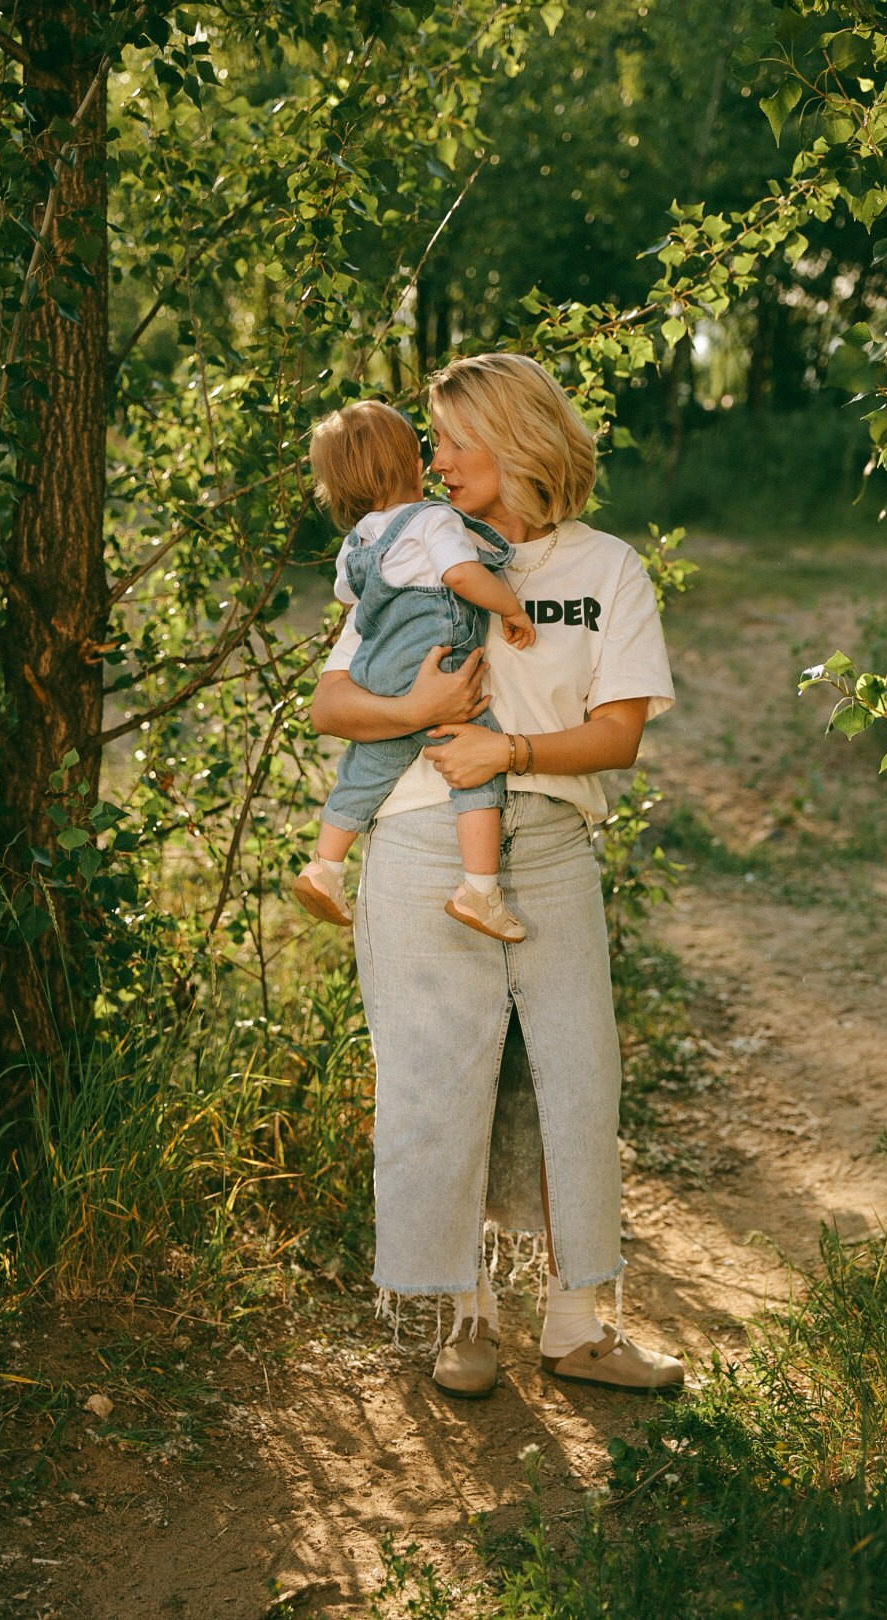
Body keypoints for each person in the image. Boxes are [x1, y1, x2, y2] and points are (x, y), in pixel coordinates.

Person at [310, 354, 684, 1397]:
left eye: (456, 439)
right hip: (425, 843)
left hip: (552, 847)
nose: (436, 460)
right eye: (430, 440)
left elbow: (617, 739)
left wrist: (508, 754)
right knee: (441, 1080)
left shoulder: (606, 569)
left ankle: (576, 1327)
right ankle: (462, 1320)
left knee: (572, 1078)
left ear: (518, 441)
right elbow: (330, 706)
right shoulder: (420, 546)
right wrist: (418, 718)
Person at [294, 400, 534, 944]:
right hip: (435, 661)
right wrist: (510, 608)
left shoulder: (356, 542)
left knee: (366, 766)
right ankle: (479, 888)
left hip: (377, 670)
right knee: (479, 758)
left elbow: (349, 598)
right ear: (412, 463)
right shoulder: (432, 518)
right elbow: (461, 574)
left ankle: (325, 867)